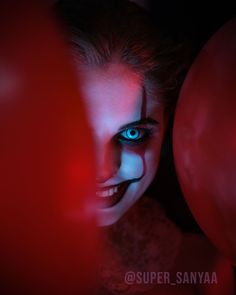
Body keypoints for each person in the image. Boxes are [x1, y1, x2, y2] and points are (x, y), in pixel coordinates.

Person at [54, 1, 234, 294]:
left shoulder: (184, 260)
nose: (103, 170)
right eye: (73, 134)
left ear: (171, 120)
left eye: (134, 133)